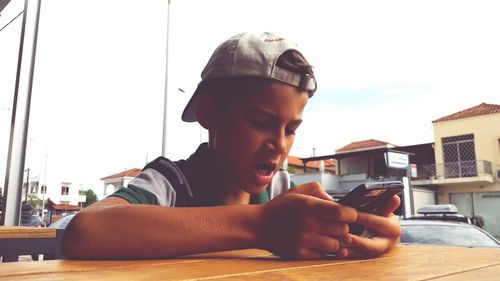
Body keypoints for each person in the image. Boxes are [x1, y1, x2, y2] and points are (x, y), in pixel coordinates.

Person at [62, 32, 400, 260]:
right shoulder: (171, 182)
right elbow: (85, 231)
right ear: (210, 114)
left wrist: (356, 235)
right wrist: (260, 225)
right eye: (261, 121)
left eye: (291, 129)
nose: (279, 145)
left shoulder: (282, 189)